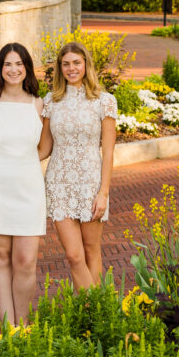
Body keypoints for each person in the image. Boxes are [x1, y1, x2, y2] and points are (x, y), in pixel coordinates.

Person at [39, 41, 117, 289]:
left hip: (91, 184)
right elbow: (44, 148)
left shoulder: (104, 101)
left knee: (92, 251)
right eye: (66, 64)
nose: (71, 68)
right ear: (60, 68)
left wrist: (103, 192)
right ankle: (94, 309)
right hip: (59, 183)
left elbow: (109, 151)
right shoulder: (51, 101)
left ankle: (90, 317)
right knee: (74, 256)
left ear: (86, 65)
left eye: (76, 63)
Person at [0, 43, 46, 326]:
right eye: (7, 64)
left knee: (26, 261)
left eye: (19, 64)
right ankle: (9, 329)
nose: (14, 69)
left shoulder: (39, 103)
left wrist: (22, 161)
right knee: (1, 259)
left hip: (28, 188)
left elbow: (44, 148)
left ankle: (25, 326)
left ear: (27, 67)